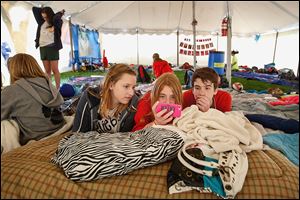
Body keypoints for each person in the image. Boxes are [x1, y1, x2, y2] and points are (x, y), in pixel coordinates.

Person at [1, 53, 65, 146]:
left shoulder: (11, 90)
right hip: (60, 128)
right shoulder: (47, 82)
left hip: (39, 137)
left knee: (6, 124)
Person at [72, 64, 139, 133]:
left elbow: (126, 136)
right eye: (126, 86)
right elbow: (78, 134)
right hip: (89, 143)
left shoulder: (133, 102)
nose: (131, 93)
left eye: (133, 87)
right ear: (111, 85)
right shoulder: (90, 97)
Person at [32, 6, 65, 89]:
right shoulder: (41, 22)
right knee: (47, 71)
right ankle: (49, 88)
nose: (44, 18)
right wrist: (43, 10)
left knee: (55, 69)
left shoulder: (56, 22)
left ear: (50, 15)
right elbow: (34, 9)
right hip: (42, 48)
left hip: (52, 47)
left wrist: (59, 13)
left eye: (46, 17)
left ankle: (57, 88)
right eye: (43, 17)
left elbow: (56, 18)